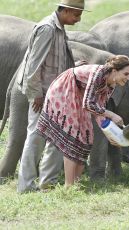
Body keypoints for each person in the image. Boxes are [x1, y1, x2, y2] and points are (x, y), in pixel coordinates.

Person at [17, 0, 89, 193]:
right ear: (65, 10)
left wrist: (73, 67)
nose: (78, 19)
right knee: (36, 137)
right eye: (76, 15)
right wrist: (36, 95)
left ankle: (47, 183)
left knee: (56, 138)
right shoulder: (47, 29)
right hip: (42, 94)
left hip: (55, 94)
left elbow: (54, 61)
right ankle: (26, 186)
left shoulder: (59, 28)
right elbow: (33, 66)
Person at [36, 55, 129, 187]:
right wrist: (112, 115)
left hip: (80, 96)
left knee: (87, 138)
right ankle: (68, 186)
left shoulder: (111, 84)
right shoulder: (99, 73)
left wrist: (109, 133)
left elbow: (98, 109)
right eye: (126, 74)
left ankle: (75, 184)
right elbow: (89, 104)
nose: (128, 78)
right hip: (65, 90)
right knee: (74, 136)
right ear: (115, 71)